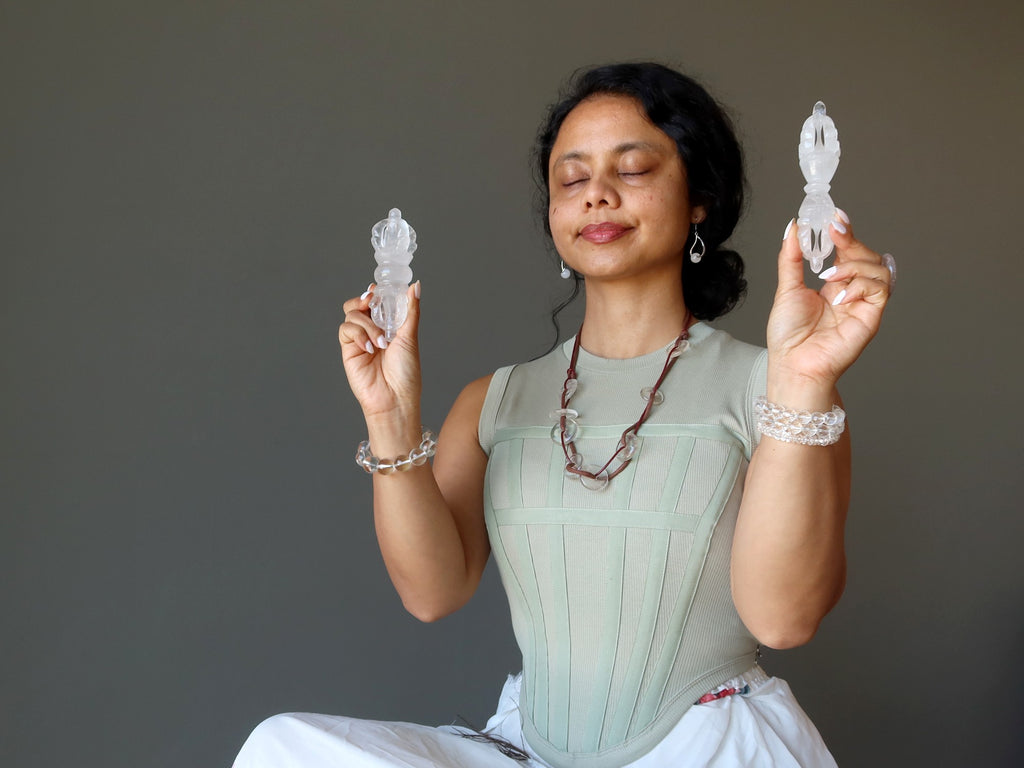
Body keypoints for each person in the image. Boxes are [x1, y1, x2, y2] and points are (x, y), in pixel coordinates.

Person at [233, 62, 892, 767]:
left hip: (704, 750)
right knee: (284, 749)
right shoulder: (495, 401)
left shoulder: (773, 385)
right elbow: (432, 594)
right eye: (572, 180)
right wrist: (389, 417)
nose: (597, 196)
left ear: (700, 198)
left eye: (633, 169)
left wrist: (803, 384)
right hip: (532, 752)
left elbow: (783, 620)